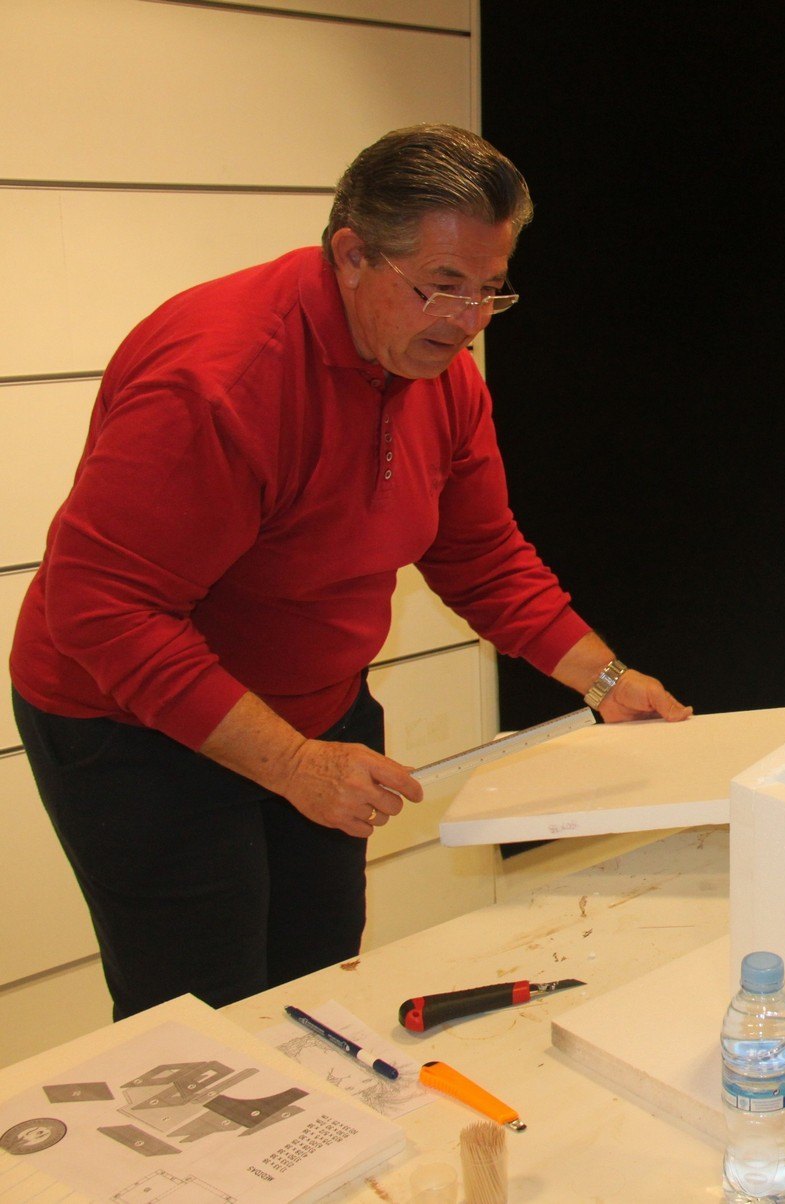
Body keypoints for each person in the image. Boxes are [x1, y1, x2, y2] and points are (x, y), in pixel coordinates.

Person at [9, 124, 689, 1022]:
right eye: (443, 285)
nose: (469, 320)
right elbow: (103, 610)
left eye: (491, 289)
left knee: (314, 979)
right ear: (353, 255)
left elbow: (481, 556)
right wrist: (292, 763)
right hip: (136, 730)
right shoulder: (220, 380)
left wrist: (606, 680)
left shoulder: (441, 373)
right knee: (203, 1017)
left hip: (316, 715)